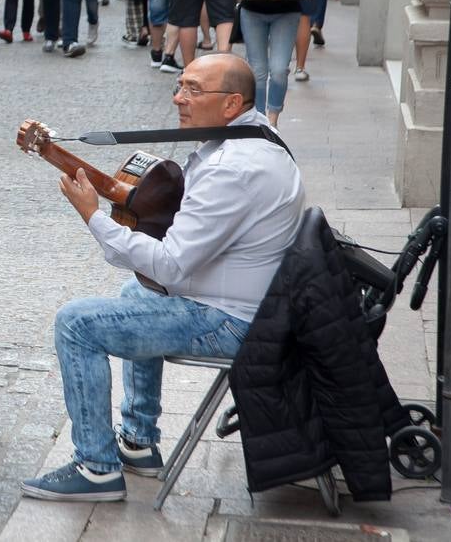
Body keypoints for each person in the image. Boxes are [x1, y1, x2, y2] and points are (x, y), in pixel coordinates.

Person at [20, 55, 303, 502]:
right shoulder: (255, 137)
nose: (178, 98)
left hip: (232, 321)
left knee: (76, 324)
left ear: (231, 103)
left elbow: (170, 265)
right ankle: (137, 441)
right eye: (180, 85)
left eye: (192, 90)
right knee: (137, 292)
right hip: (249, 301)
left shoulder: (234, 167)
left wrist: (93, 216)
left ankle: (95, 468)